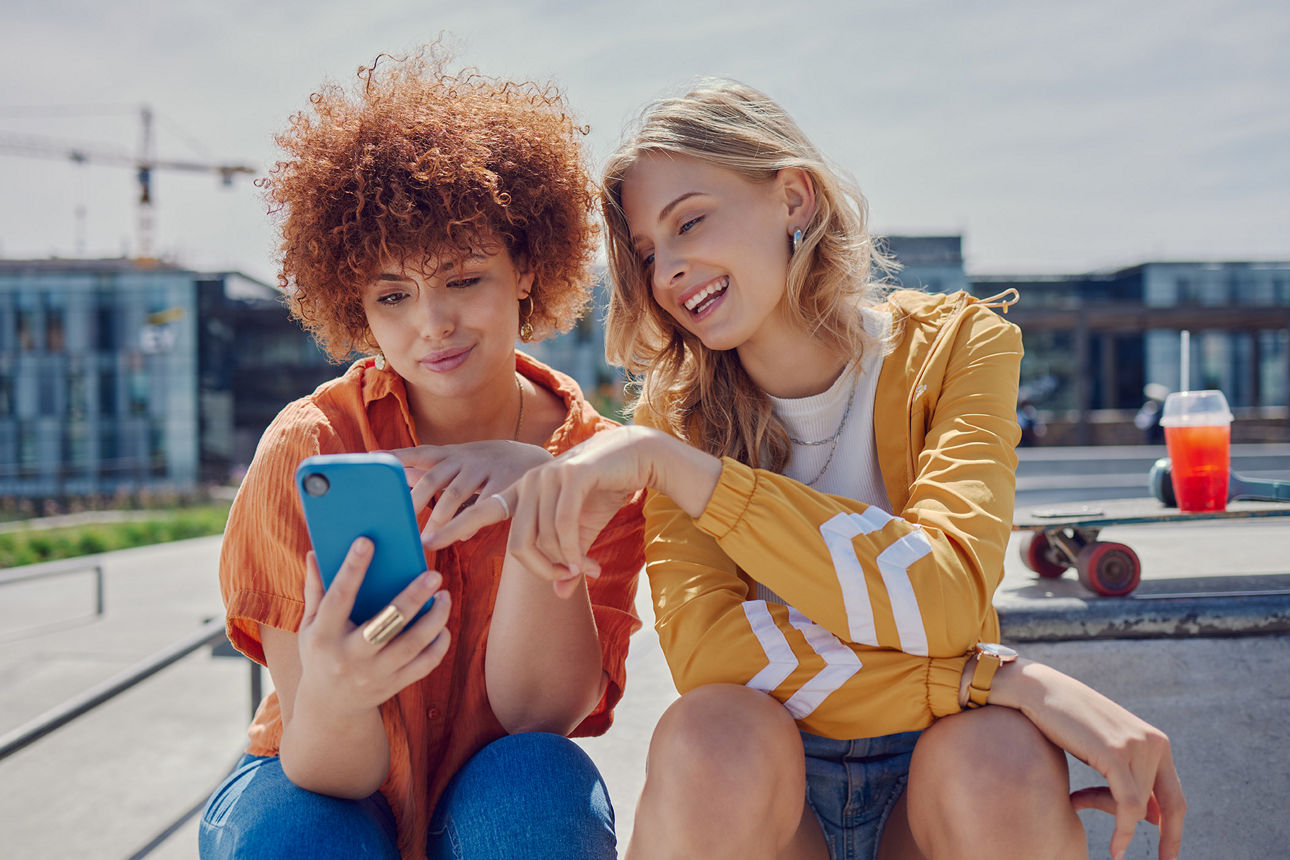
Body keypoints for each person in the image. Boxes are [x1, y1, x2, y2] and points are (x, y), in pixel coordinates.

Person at [429, 80, 1185, 860]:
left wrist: (701, 483)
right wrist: (986, 680)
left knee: (999, 755)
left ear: (794, 197)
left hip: (936, 788)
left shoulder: (959, 347)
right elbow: (711, 657)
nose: (670, 271)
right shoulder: (672, 425)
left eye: (690, 221)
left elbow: (947, 597)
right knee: (710, 733)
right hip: (770, 804)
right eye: (649, 254)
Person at [199, 51, 643, 860]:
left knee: (538, 790)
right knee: (299, 834)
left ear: (526, 269)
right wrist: (338, 693)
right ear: (358, 306)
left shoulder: (597, 463)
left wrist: (544, 495)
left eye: (463, 279)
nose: (431, 324)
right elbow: (329, 771)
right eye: (393, 295)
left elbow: (538, 721)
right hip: (320, 778)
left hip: (503, 789)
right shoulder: (312, 444)